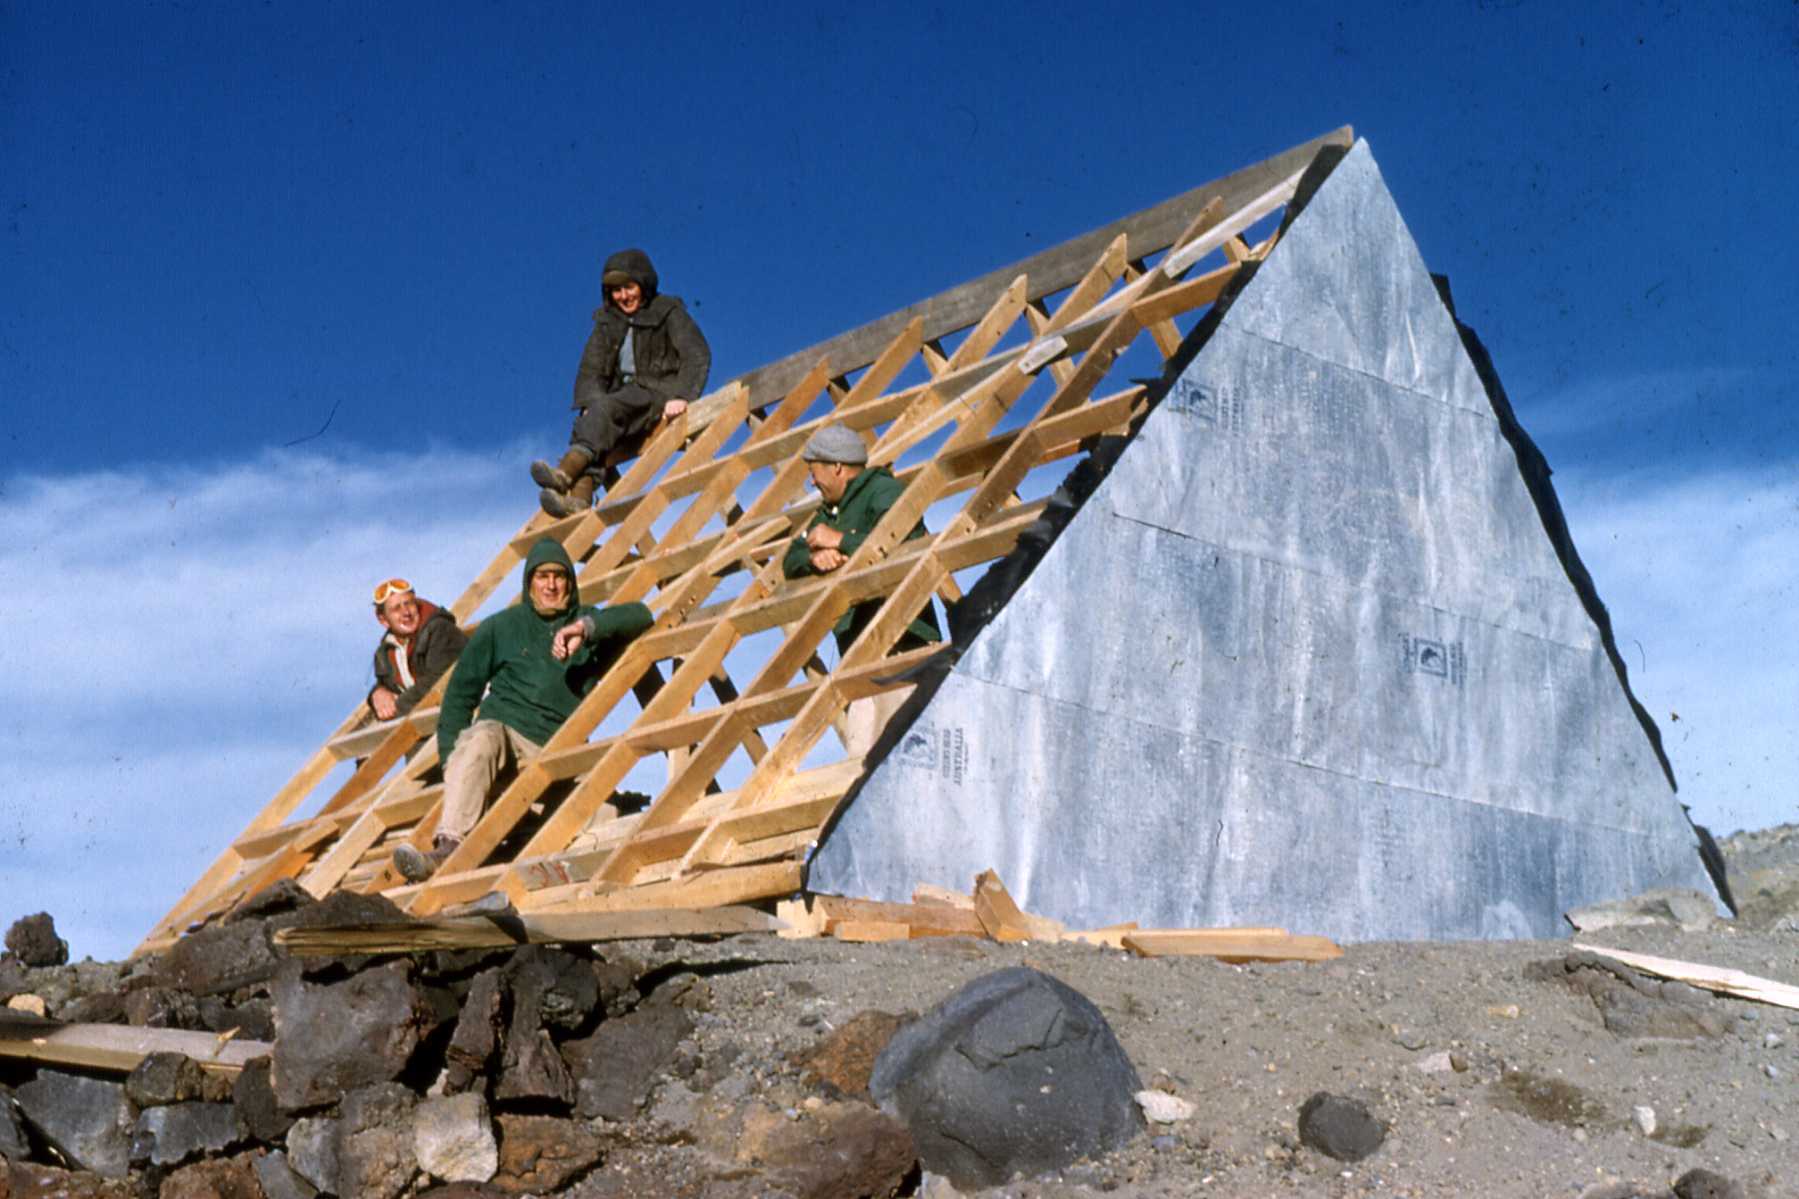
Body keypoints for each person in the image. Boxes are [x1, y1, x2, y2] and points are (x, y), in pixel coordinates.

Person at [393, 537, 654, 882]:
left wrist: (584, 630)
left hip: (556, 749)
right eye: (542, 576)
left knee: (607, 819)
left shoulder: (585, 621)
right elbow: (459, 696)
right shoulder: (501, 627)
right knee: (481, 738)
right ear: (529, 581)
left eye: (559, 576)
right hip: (504, 737)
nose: (550, 584)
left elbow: (641, 614)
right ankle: (449, 849)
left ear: (569, 583)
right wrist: (452, 764)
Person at [781, 423, 941, 755]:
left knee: (912, 757)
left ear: (837, 467)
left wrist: (840, 541)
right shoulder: (829, 512)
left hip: (903, 648)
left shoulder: (883, 492)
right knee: (864, 763)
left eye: (814, 471)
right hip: (860, 658)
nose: (812, 481)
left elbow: (904, 544)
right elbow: (791, 558)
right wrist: (815, 559)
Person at [532, 248, 711, 517]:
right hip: (623, 398)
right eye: (616, 291)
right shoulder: (607, 322)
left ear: (643, 284)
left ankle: (564, 474)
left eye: (629, 287)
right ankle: (579, 501)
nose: (624, 296)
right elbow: (591, 368)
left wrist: (682, 395)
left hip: (656, 390)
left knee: (605, 411)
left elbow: (696, 354)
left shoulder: (668, 311)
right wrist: (589, 404)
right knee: (590, 422)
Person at [366, 578, 469, 721]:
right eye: (396, 608)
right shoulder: (386, 653)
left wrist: (396, 707)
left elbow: (438, 680)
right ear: (383, 620)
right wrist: (377, 693)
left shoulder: (440, 630)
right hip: (429, 718)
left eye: (408, 603)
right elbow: (384, 684)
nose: (406, 612)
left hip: (466, 710)